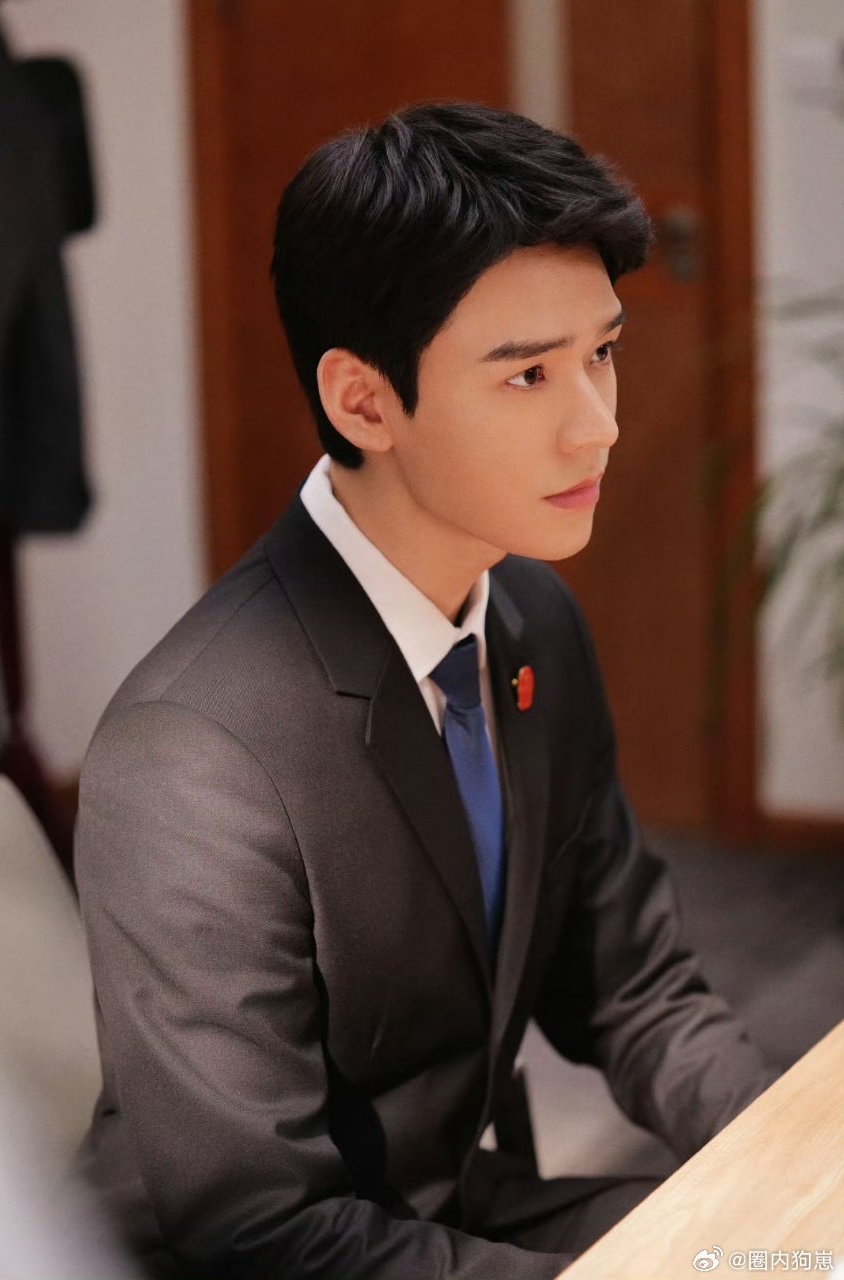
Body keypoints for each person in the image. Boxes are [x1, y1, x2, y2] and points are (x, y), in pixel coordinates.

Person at [74, 101, 779, 1280]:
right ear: (362, 401)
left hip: (448, 1205)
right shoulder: (192, 752)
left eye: (601, 353)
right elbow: (258, 1227)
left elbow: (633, 987)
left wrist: (796, 1156)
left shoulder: (529, 619)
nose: (595, 426)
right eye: (528, 375)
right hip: (250, 1259)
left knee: (786, 1257)